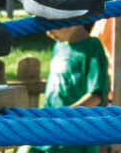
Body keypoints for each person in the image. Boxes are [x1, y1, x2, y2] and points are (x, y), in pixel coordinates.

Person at [19, 20, 110, 153]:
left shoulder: (92, 46)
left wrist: (66, 115)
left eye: (52, 25)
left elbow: (96, 96)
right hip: (52, 126)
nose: (48, 33)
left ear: (73, 18)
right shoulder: (58, 46)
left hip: (77, 133)